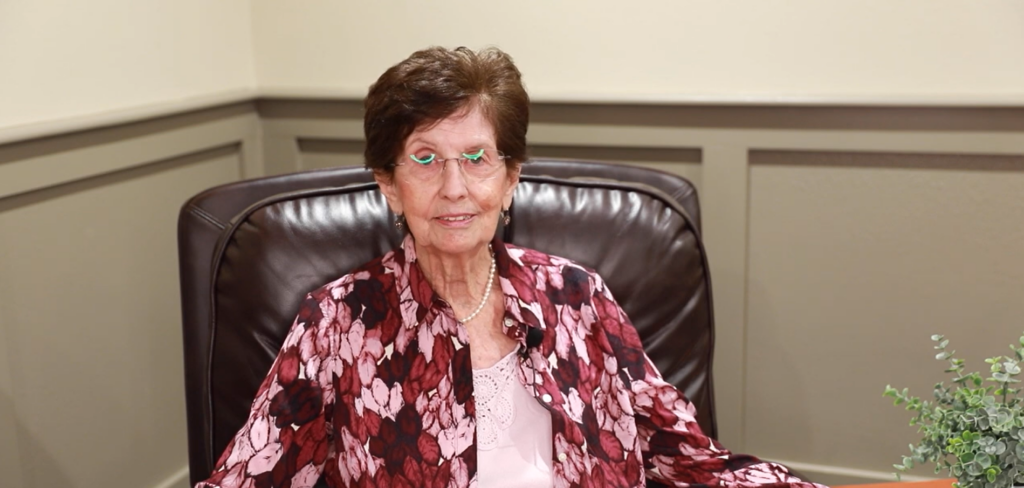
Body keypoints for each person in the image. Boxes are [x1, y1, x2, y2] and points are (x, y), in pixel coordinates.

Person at [196, 46, 825, 488]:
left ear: (511, 177)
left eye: (477, 158)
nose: (454, 189)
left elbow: (687, 457)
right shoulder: (338, 322)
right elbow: (252, 477)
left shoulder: (577, 297)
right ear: (388, 185)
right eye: (424, 159)